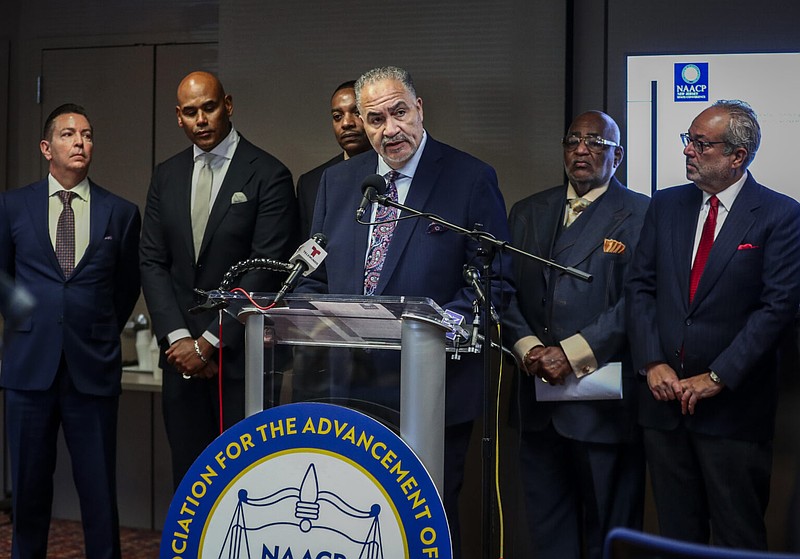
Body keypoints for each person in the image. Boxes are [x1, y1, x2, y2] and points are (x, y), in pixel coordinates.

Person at [296, 65, 513, 557]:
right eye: (375, 119)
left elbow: (493, 280)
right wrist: (286, 305)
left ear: (420, 109)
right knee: (353, 510)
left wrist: (438, 330)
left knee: (426, 515)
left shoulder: (469, 178)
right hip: (352, 387)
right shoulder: (338, 182)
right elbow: (317, 273)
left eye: (399, 113)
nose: (389, 129)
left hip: (433, 386)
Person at [626, 100, 800, 549]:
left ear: (737, 156)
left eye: (700, 144)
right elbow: (641, 288)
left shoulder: (780, 215)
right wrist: (651, 362)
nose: (688, 151)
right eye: (688, 140)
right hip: (664, 409)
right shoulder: (665, 205)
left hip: (733, 414)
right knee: (677, 537)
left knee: (736, 537)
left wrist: (718, 375)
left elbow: (777, 308)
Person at [140, 71, 300, 487]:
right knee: (190, 481)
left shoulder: (269, 174)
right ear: (178, 117)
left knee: (244, 481)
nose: (202, 120)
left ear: (227, 105)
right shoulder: (166, 175)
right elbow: (153, 262)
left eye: (209, 108)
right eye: (190, 112)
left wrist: (209, 342)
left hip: (240, 357)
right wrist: (179, 340)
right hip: (181, 363)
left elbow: (264, 269)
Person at [504, 111, 648, 559]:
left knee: (609, 531)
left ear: (617, 155)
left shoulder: (644, 213)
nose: (582, 149)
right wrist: (529, 349)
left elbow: (639, 301)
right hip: (537, 397)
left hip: (602, 401)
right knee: (548, 529)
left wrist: (571, 353)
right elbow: (503, 290)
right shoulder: (528, 211)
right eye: (573, 140)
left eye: (595, 142)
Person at [0, 103, 141, 558]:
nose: (79, 142)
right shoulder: (11, 206)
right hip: (28, 370)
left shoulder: (120, 213)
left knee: (99, 494)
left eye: (87, 134)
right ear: (46, 148)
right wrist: (29, 323)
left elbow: (125, 287)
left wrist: (96, 329)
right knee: (28, 492)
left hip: (92, 368)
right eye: (67, 134)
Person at [296, 80, 371, 237]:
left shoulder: (395, 172)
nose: (346, 123)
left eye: (357, 113)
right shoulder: (311, 183)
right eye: (337, 116)